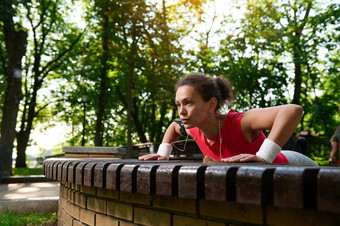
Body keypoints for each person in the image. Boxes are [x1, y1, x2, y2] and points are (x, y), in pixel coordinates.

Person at [139, 73, 317, 166]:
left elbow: (293, 110)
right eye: (178, 104)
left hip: (293, 163)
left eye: (188, 103)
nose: (181, 111)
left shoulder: (241, 122)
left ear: (211, 105)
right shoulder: (193, 128)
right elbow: (173, 127)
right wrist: (163, 155)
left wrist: (263, 158)